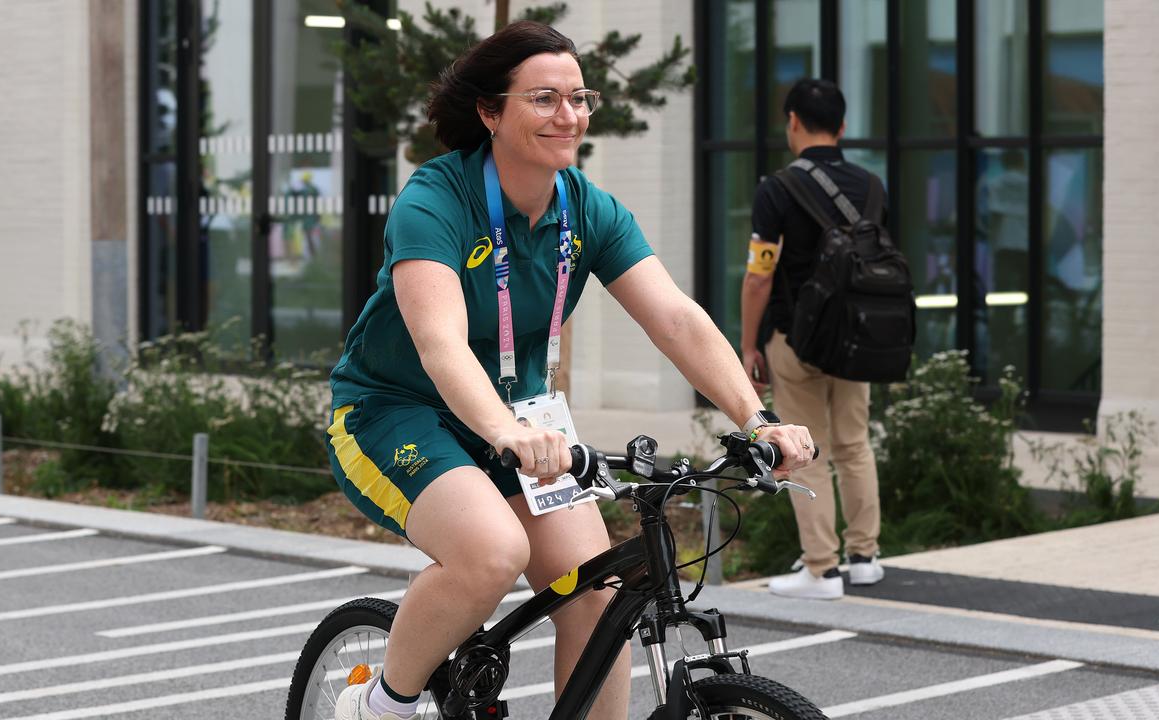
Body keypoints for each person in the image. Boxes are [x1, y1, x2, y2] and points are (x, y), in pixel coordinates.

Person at [326, 21, 817, 720]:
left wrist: (757, 418)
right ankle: (381, 703)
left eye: (579, 98)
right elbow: (441, 346)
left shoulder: (585, 208)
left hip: (519, 422)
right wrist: (506, 431)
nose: (570, 116)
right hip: (396, 410)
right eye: (545, 99)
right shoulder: (435, 201)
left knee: (596, 592)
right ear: (490, 113)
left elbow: (674, 319)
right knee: (492, 553)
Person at [740, 78, 886, 601]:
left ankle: (822, 570)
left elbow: (760, 274)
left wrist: (749, 343)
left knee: (808, 449)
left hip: (796, 338)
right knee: (854, 443)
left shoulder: (777, 189)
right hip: (857, 340)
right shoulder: (871, 186)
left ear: (793, 122)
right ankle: (864, 558)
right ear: (843, 127)